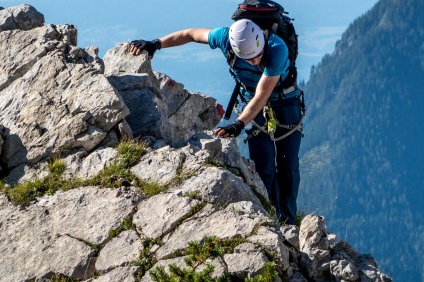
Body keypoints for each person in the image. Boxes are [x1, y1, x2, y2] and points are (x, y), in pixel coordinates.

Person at [129, 19, 304, 224]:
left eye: (257, 56)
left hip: (285, 102)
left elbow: (262, 95)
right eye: (248, 59)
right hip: (251, 102)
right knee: (263, 166)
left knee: (287, 164)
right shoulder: (224, 37)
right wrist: (156, 44)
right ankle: (270, 218)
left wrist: (238, 123)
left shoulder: (277, 49)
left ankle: (289, 222)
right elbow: (190, 34)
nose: (255, 62)